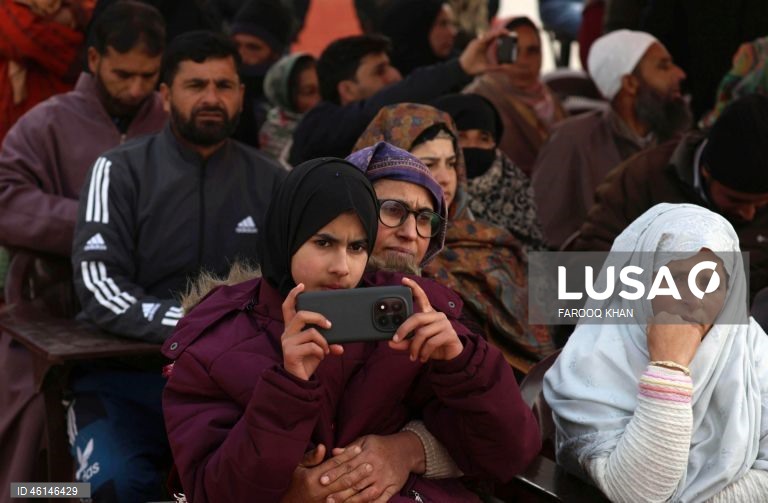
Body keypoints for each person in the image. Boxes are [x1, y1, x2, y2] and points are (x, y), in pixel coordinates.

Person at [162, 157, 540, 502]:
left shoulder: (411, 313)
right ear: (285, 237)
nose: (342, 267)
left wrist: (462, 366)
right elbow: (214, 492)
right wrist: (287, 389)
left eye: (357, 247)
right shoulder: (216, 343)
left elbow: (508, 454)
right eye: (323, 242)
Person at [68, 31, 285, 502]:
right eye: (195, 85)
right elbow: (100, 287)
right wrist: (200, 322)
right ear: (165, 96)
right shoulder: (118, 170)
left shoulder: (273, 180)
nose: (212, 98)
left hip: (237, 390)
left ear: (242, 96)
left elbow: (293, 283)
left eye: (224, 86)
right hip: (124, 381)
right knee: (115, 487)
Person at [0, 3, 167, 498]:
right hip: (53, 316)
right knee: (34, 417)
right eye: (123, 73)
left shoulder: (175, 124)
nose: (136, 88)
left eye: (148, 76)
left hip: (149, 321)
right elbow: (5, 197)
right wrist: (92, 221)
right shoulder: (46, 123)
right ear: (94, 59)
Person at [544, 203, 768, 501]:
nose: (693, 299)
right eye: (676, 278)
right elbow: (637, 494)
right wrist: (669, 368)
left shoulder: (751, 348)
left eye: (710, 282)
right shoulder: (591, 359)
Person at [351, 107, 558, 369]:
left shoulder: (490, 242)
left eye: (451, 163)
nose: (445, 179)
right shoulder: (343, 274)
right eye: (427, 164)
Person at [574, 94, 768, 304]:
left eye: (761, 204)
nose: (749, 214)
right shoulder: (642, 181)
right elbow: (589, 271)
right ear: (706, 171)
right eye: (736, 200)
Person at [532, 29, 690, 249]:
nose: (680, 74)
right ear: (630, 84)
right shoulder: (573, 141)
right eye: (663, 66)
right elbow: (543, 234)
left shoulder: (680, 143)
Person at [288, 30, 500, 164]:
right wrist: (459, 68)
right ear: (347, 90)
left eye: (391, 66)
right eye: (380, 71)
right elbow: (375, 110)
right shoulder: (319, 125)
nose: (394, 76)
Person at [433, 93, 547, 251]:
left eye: (484, 138)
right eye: (461, 137)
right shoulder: (428, 194)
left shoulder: (513, 186)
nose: (472, 146)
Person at [464, 16, 567, 176]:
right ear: (495, 52)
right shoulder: (478, 98)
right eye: (513, 51)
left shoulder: (545, 95)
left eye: (532, 51)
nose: (523, 61)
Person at [0, 0, 92, 143]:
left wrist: (74, 13)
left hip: (69, 111)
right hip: (16, 113)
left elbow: (102, 15)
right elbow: (26, 41)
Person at [229, 0, 296, 147]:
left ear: (276, 54)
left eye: (253, 47)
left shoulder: (294, 99)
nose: (241, 55)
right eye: (235, 45)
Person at [259, 52, 320, 167]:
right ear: (287, 97)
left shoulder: (333, 123)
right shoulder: (274, 133)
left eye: (323, 88)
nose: (320, 98)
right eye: (309, 92)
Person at [379, 0, 458, 77]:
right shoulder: (392, 80)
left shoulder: (459, 66)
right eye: (443, 24)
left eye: (452, 23)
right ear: (417, 28)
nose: (453, 32)